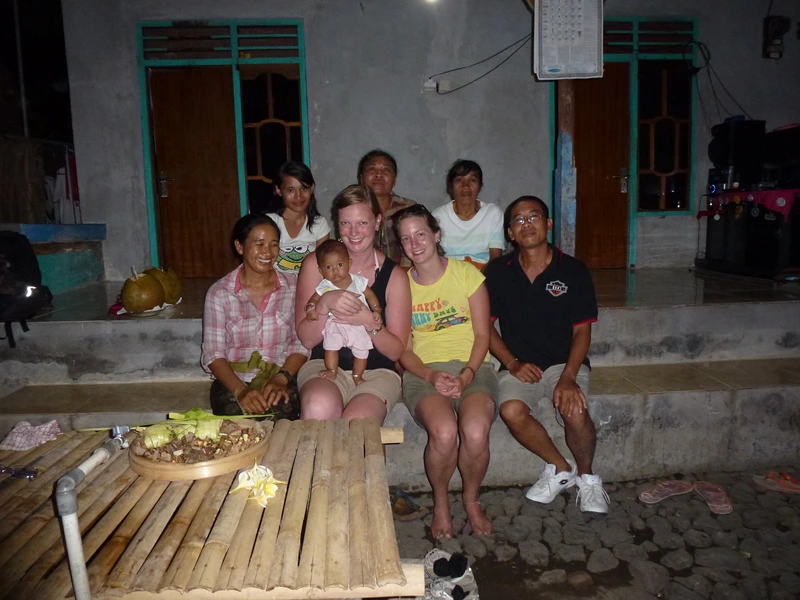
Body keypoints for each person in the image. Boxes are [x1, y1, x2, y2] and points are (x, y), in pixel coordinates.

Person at [484, 196, 609, 514]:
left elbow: (582, 331)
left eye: (534, 216)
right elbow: (485, 327)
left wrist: (569, 377)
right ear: (510, 233)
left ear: (548, 223)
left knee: (575, 410)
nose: (527, 224)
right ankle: (560, 468)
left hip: (563, 362)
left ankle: (588, 477)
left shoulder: (573, 270)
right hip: (521, 363)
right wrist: (511, 362)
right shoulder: (498, 272)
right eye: (518, 220)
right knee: (511, 411)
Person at [393, 204, 497, 539]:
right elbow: (403, 351)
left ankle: (470, 499)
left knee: (476, 430)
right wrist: (430, 376)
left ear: (436, 235)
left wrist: (467, 374)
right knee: (444, 432)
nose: (415, 243)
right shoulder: (401, 286)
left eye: (421, 233)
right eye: (406, 238)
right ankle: (440, 502)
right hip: (424, 372)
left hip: (473, 367)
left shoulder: (466, 275)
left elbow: (483, 335)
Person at [294, 184, 411, 421]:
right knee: (318, 407)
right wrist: (324, 304)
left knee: (358, 424)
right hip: (324, 366)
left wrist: (369, 321)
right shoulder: (314, 265)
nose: (354, 232)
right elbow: (306, 338)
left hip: (376, 371)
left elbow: (395, 350)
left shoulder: (394, 276)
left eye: (362, 223)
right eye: (346, 223)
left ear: (377, 222)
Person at [202, 214, 309, 418]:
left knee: (282, 419)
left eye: (274, 245)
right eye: (259, 244)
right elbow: (213, 352)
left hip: (282, 375)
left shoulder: (294, 287)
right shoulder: (220, 293)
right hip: (235, 379)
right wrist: (240, 390)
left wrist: (281, 378)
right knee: (238, 426)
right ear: (240, 247)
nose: (267, 252)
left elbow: (302, 342)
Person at [305, 239, 383, 384]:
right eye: (329, 267)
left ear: (349, 263)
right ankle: (332, 370)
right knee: (330, 347)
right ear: (321, 271)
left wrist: (376, 309)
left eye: (340, 265)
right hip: (335, 324)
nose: (335, 271)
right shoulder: (325, 285)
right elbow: (313, 300)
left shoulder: (358, 281)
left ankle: (357, 376)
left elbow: (371, 295)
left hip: (359, 325)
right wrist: (311, 309)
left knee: (362, 352)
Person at [432, 159, 505, 270]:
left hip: (484, 275)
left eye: (472, 180)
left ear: (480, 186)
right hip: (449, 276)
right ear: (450, 187)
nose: (465, 186)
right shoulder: (438, 216)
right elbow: (434, 257)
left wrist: (476, 282)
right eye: (459, 180)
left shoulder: (493, 214)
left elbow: (495, 258)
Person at [264, 161, 330, 275]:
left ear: (312, 188)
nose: (298, 196)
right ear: (279, 190)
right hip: (276, 287)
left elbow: (325, 264)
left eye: (304, 188)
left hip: (309, 286)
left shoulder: (319, 224)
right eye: (291, 190)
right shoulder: (269, 222)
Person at [357, 149, 416, 268]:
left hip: (406, 277)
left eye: (386, 170)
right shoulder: (352, 211)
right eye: (372, 169)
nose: (379, 174)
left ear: (394, 179)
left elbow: (417, 248)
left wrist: (401, 277)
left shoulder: (409, 208)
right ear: (361, 178)